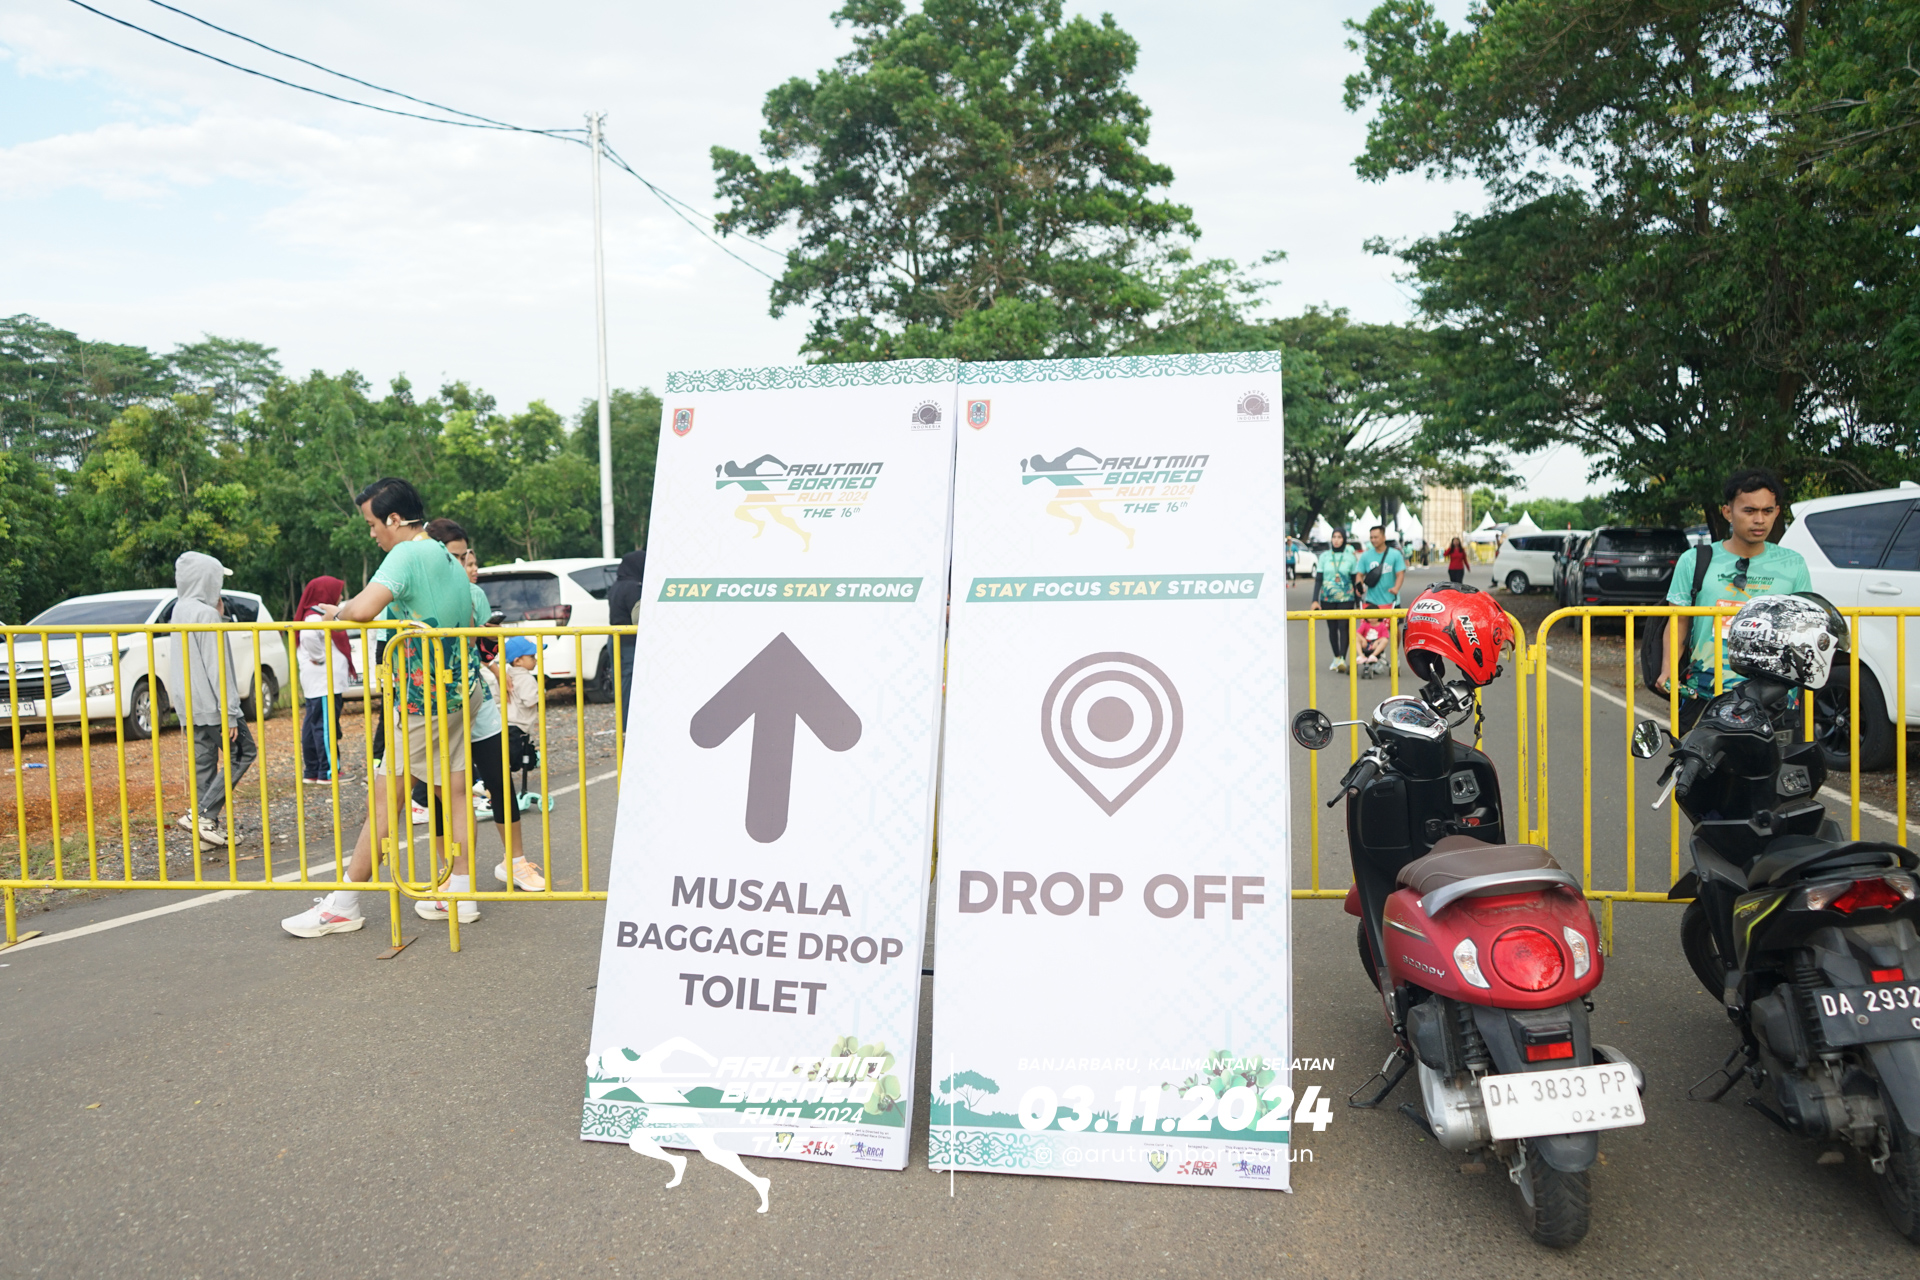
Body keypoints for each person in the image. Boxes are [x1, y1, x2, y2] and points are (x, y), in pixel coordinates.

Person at [280, 478, 500, 939]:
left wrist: (336, 612)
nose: (372, 533)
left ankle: (344, 904)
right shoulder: (444, 554)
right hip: (460, 688)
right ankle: (460, 895)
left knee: (385, 800)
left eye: (372, 523)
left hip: (423, 697)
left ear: (395, 519)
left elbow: (363, 609)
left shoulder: (406, 554)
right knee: (456, 792)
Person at [1659, 467, 1811, 733]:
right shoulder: (1694, 560)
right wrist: (1667, 669)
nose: (1759, 520)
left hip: (1775, 700)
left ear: (1777, 512)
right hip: (1705, 693)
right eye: (1749, 511)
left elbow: (1803, 628)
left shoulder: (1793, 564)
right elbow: (1678, 621)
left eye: (1767, 511)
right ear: (1727, 512)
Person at [169, 552, 258, 847]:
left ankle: (205, 833)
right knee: (244, 752)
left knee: (204, 765)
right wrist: (230, 711)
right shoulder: (205, 615)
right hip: (212, 705)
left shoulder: (179, 609)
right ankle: (202, 815)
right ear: (207, 580)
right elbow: (217, 666)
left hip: (189, 704)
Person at [294, 575, 356, 784]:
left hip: (320, 682)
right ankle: (329, 771)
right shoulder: (315, 617)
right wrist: (320, 658)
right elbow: (309, 637)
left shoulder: (313, 615)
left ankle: (313, 769)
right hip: (323, 681)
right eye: (337, 593)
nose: (340, 597)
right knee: (325, 726)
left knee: (314, 724)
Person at [1309, 529, 1362, 673]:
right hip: (1327, 598)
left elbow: (1354, 580)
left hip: (1347, 598)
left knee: (1343, 627)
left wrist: (1359, 603)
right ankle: (1336, 657)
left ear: (1344, 539)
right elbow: (1319, 579)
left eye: (1339, 537)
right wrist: (1315, 600)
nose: (1336, 540)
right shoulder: (1324, 556)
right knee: (1332, 628)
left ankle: (1342, 658)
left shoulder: (1350, 557)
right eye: (1334, 537)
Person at [606, 549, 646, 731]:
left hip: (615, 640)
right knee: (630, 687)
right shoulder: (633, 588)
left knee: (620, 686)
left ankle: (623, 729)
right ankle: (629, 729)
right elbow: (639, 618)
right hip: (630, 643)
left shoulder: (616, 586)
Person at [1358, 524, 1408, 609]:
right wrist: (1359, 587)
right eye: (1371, 537)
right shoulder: (1365, 555)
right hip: (1371, 602)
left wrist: (1396, 588)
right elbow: (1359, 574)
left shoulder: (1395, 554)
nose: (1373, 540)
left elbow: (1400, 574)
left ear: (1384, 538)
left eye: (1376, 537)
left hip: (1392, 601)